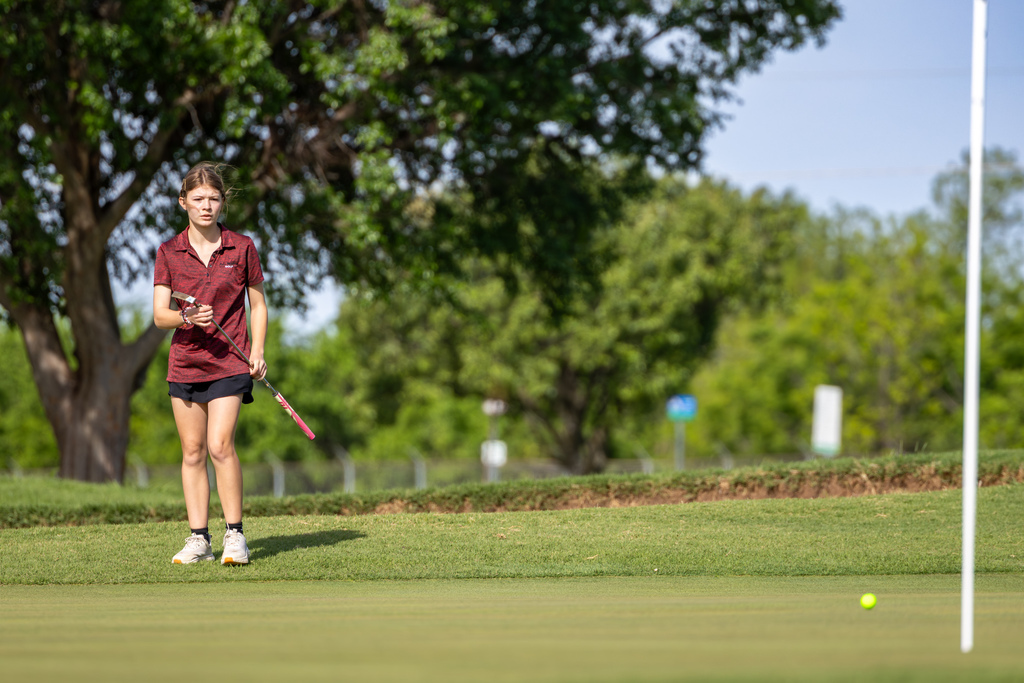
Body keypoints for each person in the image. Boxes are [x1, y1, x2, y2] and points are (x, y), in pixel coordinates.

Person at [153, 162, 268, 566]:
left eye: (214, 199)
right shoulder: (169, 251)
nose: (206, 206)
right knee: (192, 451)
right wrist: (186, 317)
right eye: (198, 199)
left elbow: (258, 304)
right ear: (183, 202)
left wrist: (257, 352)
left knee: (220, 446)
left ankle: (235, 536)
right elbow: (159, 314)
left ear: (223, 202)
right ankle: (199, 539)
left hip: (230, 362)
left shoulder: (242, 247)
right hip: (184, 363)